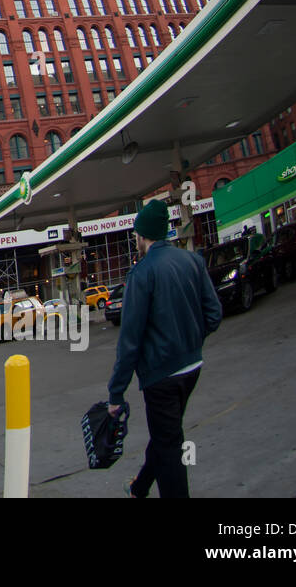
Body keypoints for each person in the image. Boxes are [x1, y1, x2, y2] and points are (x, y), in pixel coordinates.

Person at [108, 199, 222, 498]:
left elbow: (129, 341)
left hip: (161, 378)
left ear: (143, 236)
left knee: (169, 443)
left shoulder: (142, 273)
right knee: (166, 433)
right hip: (192, 368)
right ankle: (139, 487)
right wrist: (191, 342)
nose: (135, 241)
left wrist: (116, 393)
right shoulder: (192, 261)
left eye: (136, 236)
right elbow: (214, 315)